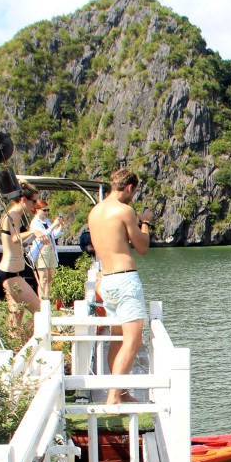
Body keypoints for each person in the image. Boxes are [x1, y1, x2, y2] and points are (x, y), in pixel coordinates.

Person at [87, 169, 156, 405]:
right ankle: (114, 396)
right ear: (129, 188)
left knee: (117, 339)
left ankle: (121, 392)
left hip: (106, 280)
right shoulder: (125, 211)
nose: (133, 196)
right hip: (125, 279)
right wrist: (145, 222)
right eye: (134, 191)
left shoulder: (95, 212)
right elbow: (143, 246)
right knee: (134, 340)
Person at [0, 182, 43, 335]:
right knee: (41, 312)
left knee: (17, 313)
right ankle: (25, 339)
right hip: (10, 273)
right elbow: (16, 238)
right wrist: (34, 232)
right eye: (33, 201)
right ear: (23, 199)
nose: (35, 205)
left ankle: (15, 343)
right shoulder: (13, 215)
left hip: (15, 272)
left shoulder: (17, 215)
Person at [28, 199, 64, 301]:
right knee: (43, 278)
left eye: (48, 210)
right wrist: (53, 225)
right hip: (42, 250)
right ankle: (41, 300)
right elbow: (43, 234)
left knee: (50, 278)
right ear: (37, 210)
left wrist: (60, 226)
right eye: (44, 210)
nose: (47, 212)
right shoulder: (35, 223)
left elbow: (54, 235)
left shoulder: (47, 221)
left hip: (51, 249)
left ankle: (48, 299)